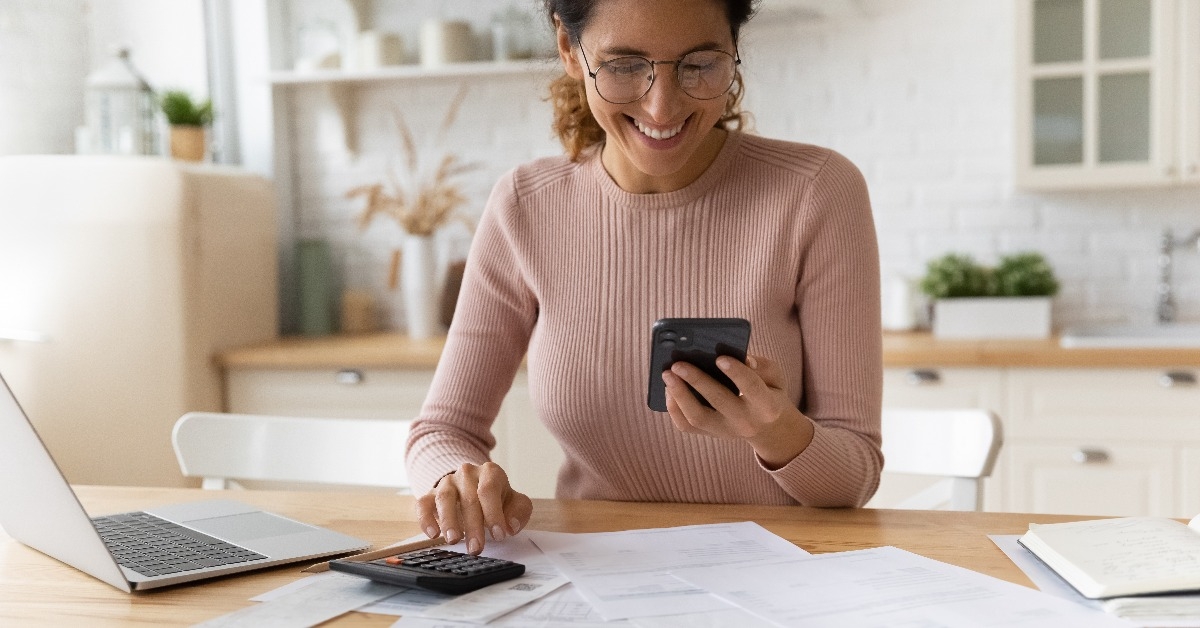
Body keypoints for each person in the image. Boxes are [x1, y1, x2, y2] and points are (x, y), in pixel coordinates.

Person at [406, 0, 883, 555]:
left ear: (734, 51)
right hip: (594, 572)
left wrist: (775, 431)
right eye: (624, 64)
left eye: (700, 64)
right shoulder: (525, 206)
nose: (661, 105)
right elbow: (442, 431)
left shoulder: (816, 192)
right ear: (569, 49)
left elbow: (855, 476)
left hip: (777, 570)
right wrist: (454, 480)